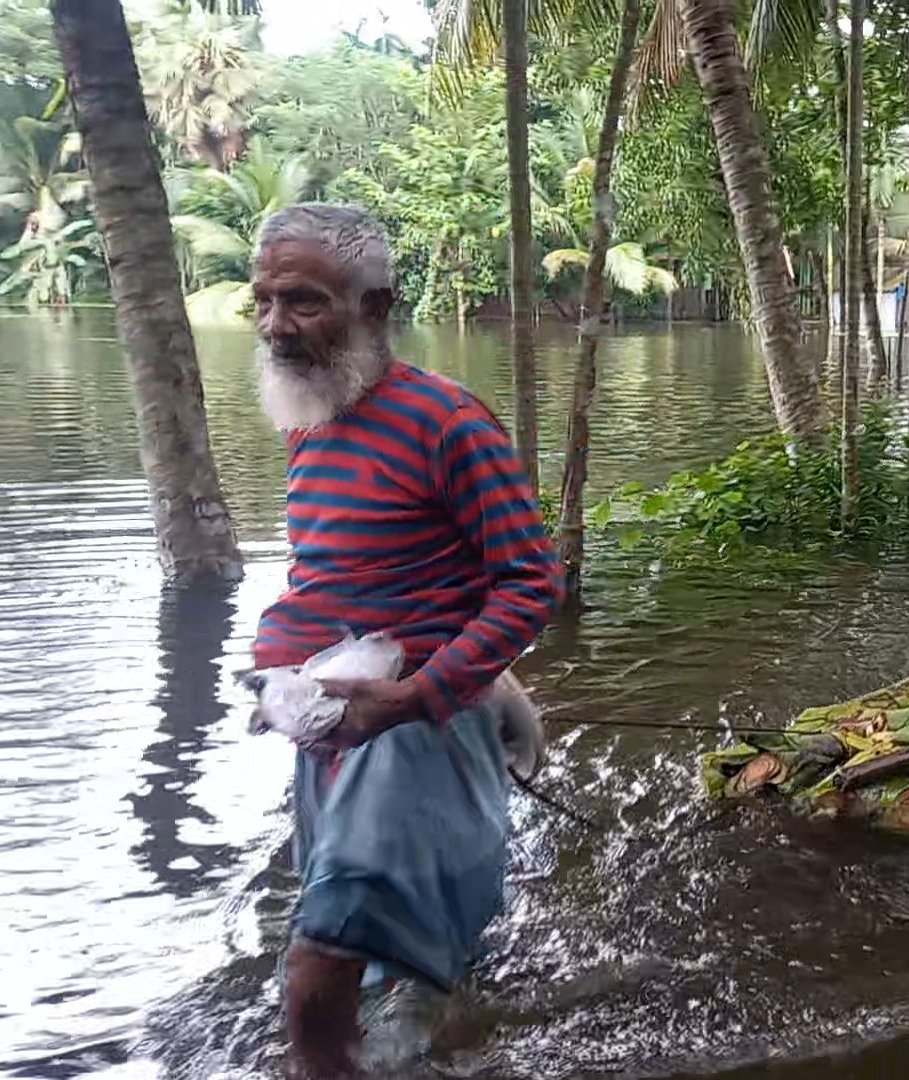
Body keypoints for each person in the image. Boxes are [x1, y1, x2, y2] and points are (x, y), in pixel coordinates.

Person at [247, 203, 564, 1076]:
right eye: (264, 301)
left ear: (376, 306)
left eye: (304, 302)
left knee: (318, 965)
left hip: (413, 726)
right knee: (371, 947)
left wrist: (427, 694)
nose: (277, 326)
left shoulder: (447, 423)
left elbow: (532, 581)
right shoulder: (311, 421)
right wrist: (273, 667)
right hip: (338, 727)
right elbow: (336, 580)